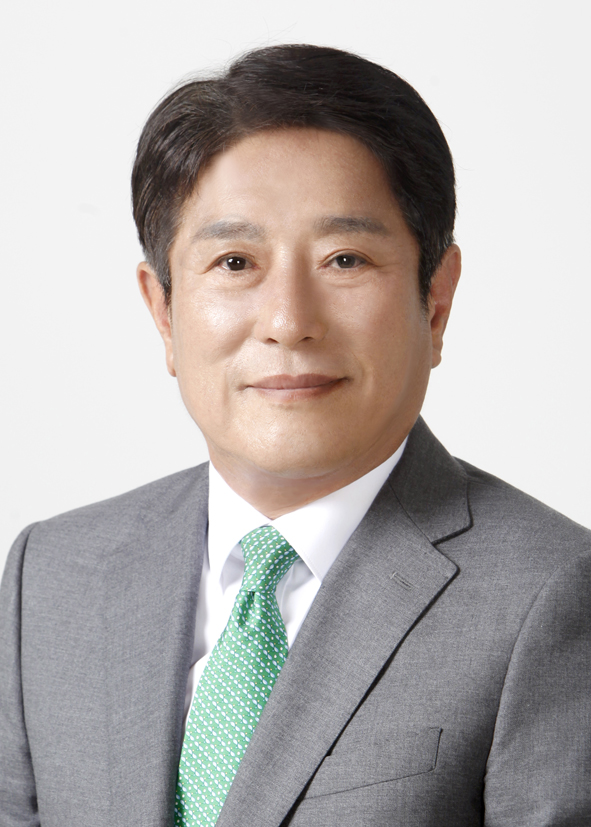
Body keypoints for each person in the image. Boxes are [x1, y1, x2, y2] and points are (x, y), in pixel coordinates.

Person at [1, 44, 589, 827]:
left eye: (344, 259)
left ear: (435, 301)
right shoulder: (52, 576)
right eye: (234, 261)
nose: (287, 321)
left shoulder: (552, 594)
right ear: (163, 312)